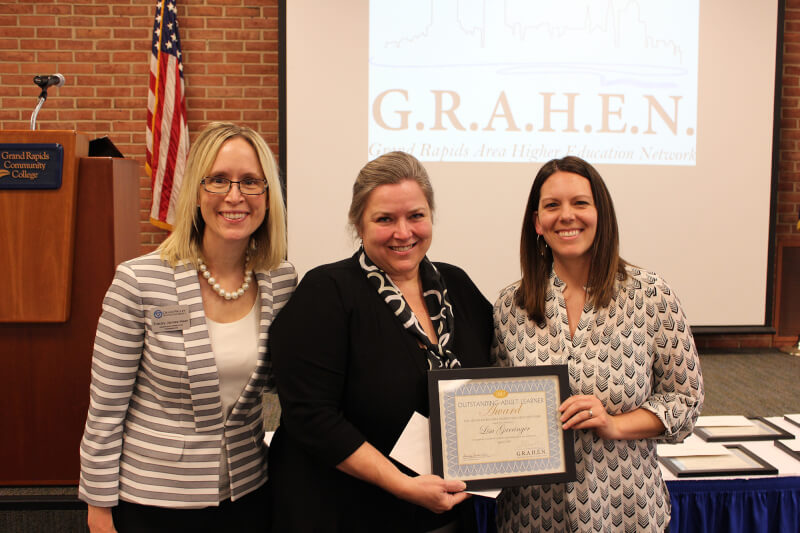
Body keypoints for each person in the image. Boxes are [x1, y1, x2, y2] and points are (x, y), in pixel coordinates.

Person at [78, 122, 297, 533]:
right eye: (218, 180)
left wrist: (271, 442)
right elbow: (106, 409)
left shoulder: (281, 278)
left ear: (268, 196)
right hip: (151, 501)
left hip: (249, 494)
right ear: (197, 192)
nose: (235, 196)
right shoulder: (139, 281)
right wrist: (99, 507)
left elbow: (273, 389)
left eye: (251, 182)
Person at [267, 151, 493, 532]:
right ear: (359, 223)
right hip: (346, 512)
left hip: (445, 511)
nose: (403, 232)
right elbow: (311, 416)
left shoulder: (458, 286)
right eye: (385, 219)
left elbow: (496, 380)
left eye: (416, 216)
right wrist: (403, 485)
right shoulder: (326, 293)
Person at [492, 156, 704, 533]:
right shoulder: (511, 305)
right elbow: (493, 404)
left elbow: (685, 402)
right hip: (532, 517)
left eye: (580, 203)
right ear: (537, 223)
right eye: (552, 205)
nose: (566, 215)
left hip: (625, 511)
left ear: (600, 213)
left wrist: (614, 424)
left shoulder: (650, 295)